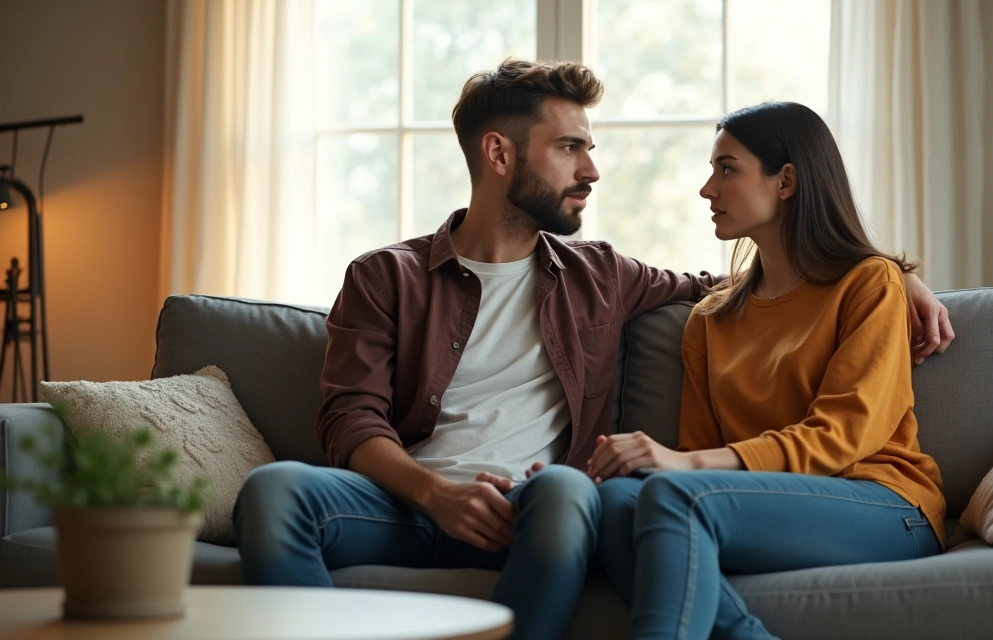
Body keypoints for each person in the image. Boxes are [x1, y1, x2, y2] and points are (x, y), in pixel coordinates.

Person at [232, 61, 952, 640]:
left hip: (539, 502)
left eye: (590, 149)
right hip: (403, 501)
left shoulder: (601, 274)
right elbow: (349, 421)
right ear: (499, 153)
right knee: (274, 490)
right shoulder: (384, 275)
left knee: (586, 492)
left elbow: (790, 291)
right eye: (571, 148)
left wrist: (895, 272)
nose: (592, 170)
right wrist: (435, 494)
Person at [590, 101, 949, 640]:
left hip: (886, 505)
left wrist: (682, 469)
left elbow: (845, 433)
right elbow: (699, 456)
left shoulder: (870, 284)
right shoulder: (710, 319)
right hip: (754, 504)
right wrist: (680, 467)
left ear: (785, 181)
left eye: (726, 168)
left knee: (670, 493)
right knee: (615, 502)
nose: (707, 189)